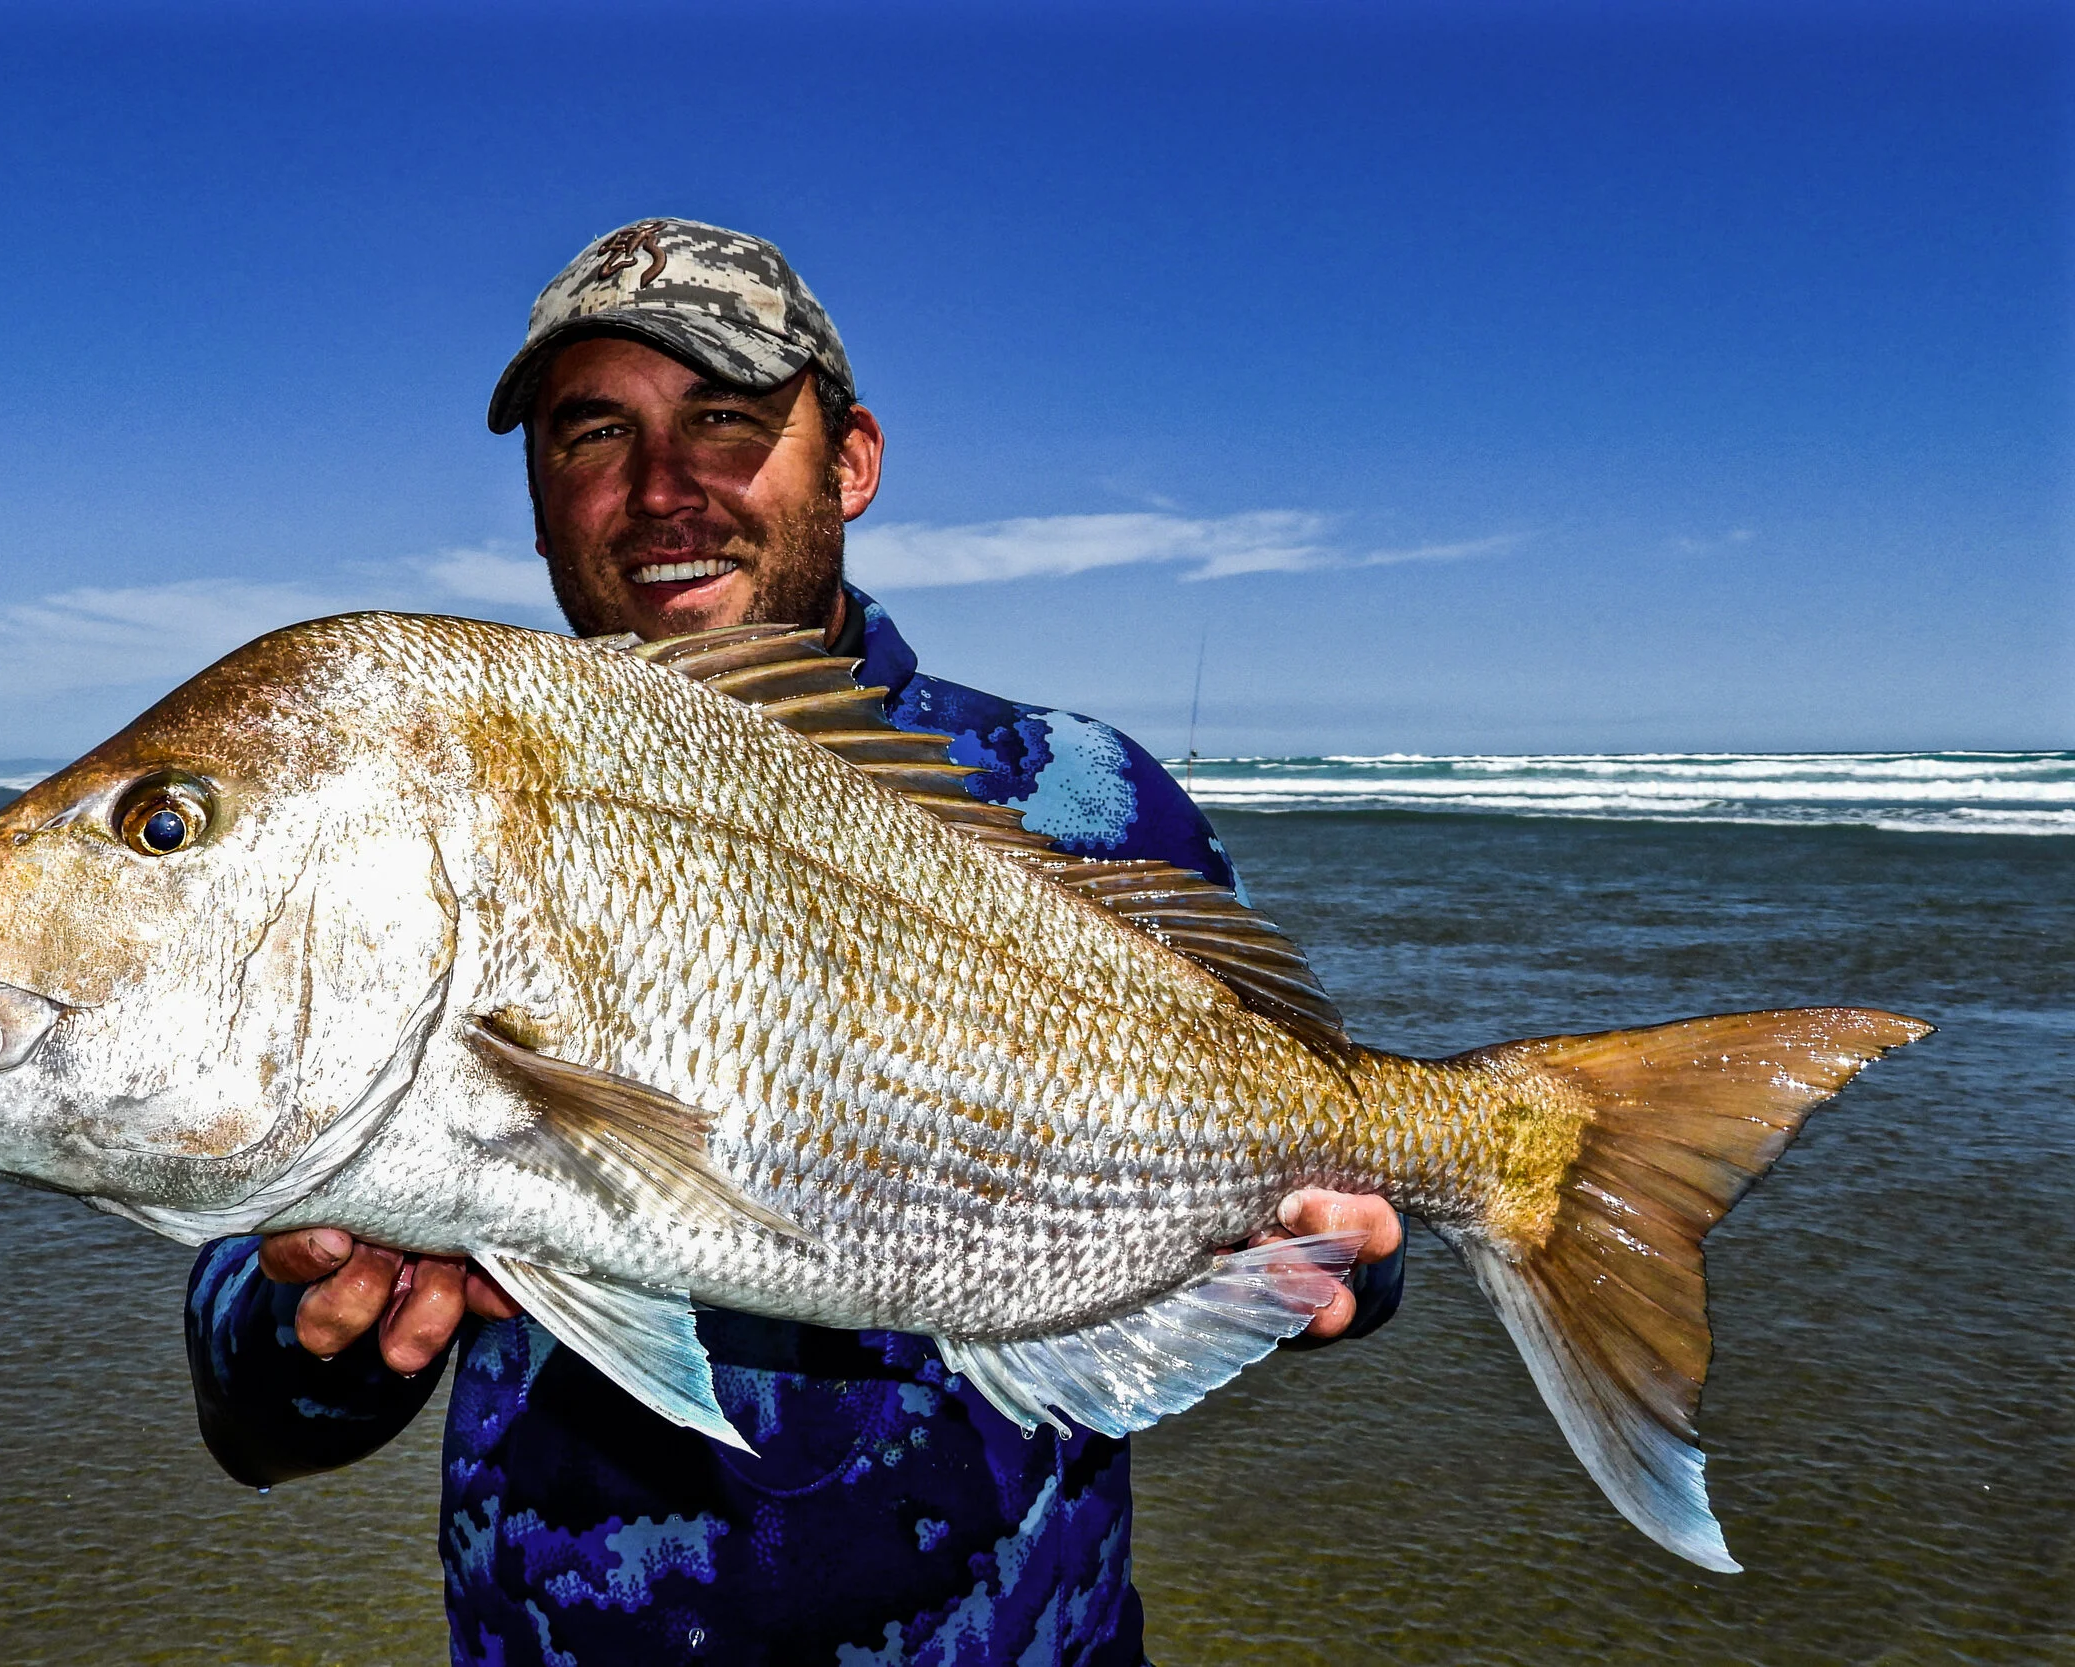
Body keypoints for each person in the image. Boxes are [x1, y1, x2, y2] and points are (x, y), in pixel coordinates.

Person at [185, 219, 1406, 1666]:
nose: (660, 489)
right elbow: (251, 1407)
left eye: (728, 417)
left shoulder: (1085, 795)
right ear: (536, 499)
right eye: (594, 432)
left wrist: (1345, 1254)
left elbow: (1321, 1168)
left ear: (853, 462)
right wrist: (314, 1323)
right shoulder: (442, 802)